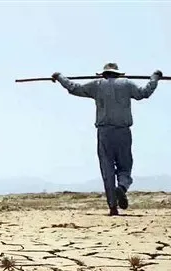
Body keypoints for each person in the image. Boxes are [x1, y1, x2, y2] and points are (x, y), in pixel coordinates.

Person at [52, 62, 162, 216]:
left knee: (107, 169)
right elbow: (144, 93)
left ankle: (112, 207)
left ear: (104, 74)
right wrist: (155, 77)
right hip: (123, 131)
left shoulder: (97, 85)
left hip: (104, 133)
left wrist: (59, 77)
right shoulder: (127, 84)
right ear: (118, 74)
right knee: (125, 166)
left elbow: (74, 87)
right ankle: (122, 187)